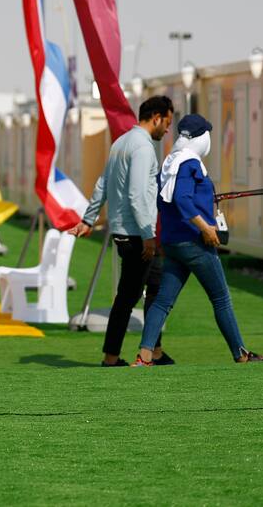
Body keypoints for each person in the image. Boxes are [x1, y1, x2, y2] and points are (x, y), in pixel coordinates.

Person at [135, 114, 263, 366]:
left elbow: (166, 200)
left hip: (173, 244)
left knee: (162, 302)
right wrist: (206, 228)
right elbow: (182, 199)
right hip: (194, 244)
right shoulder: (190, 163)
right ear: (200, 138)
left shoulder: (170, 161)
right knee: (221, 298)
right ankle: (241, 353)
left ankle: (144, 357)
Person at [71, 95, 174, 367]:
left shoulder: (120, 143)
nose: (168, 130)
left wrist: (88, 219)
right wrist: (148, 235)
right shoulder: (142, 148)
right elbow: (137, 195)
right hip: (138, 235)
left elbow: (102, 184)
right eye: (167, 122)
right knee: (128, 297)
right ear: (156, 118)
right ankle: (112, 358)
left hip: (126, 232)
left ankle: (153, 351)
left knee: (156, 287)